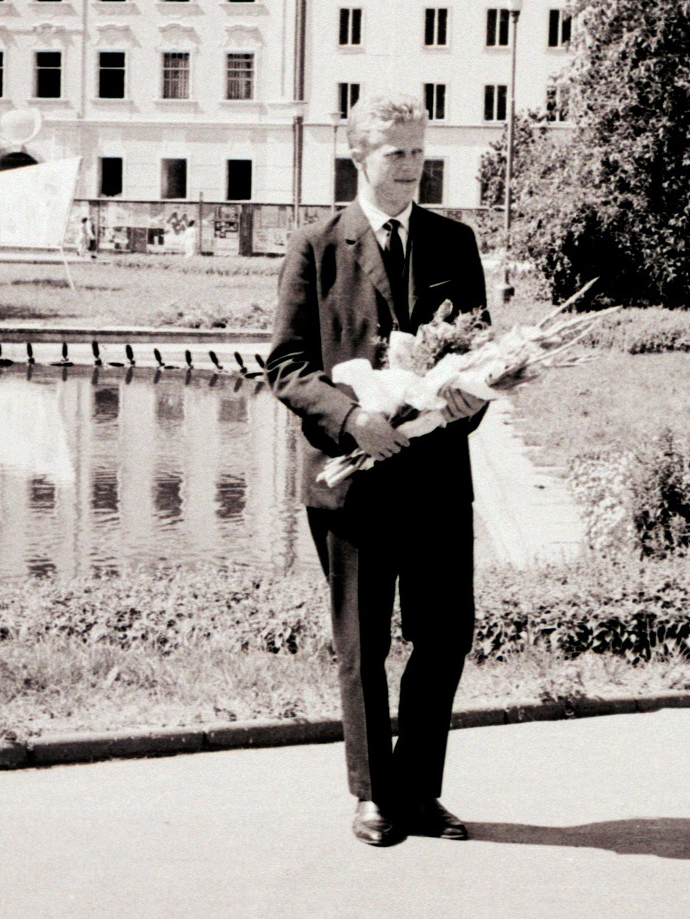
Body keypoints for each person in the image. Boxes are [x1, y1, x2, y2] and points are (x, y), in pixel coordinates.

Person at [267, 92, 489, 848]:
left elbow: (478, 357)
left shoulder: (455, 242)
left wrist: (466, 400)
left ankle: (418, 790)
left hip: (434, 482)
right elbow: (287, 367)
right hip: (353, 482)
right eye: (395, 152)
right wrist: (349, 417)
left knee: (445, 633)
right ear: (358, 153)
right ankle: (371, 795)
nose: (411, 167)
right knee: (361, 645)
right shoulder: (317, 243)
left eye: (419, 152)